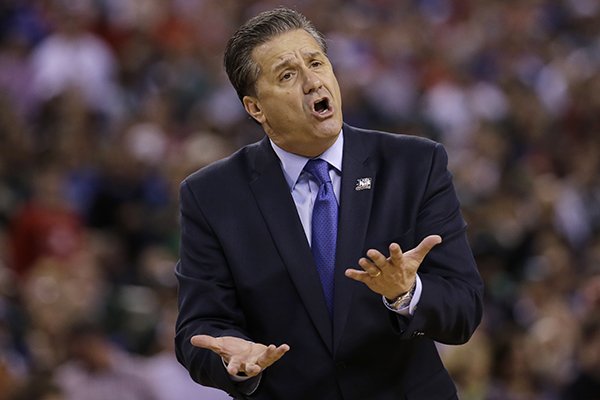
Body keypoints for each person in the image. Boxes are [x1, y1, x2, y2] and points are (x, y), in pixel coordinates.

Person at [175, 7, 483, 400]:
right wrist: (232, 359)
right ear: (256, 108)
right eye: (287, 75)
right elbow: (199, 328)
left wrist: (406, 294)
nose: (311, 82)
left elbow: (465, 307)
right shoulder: (210, 196)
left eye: (317, 63)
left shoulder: (415, 165)